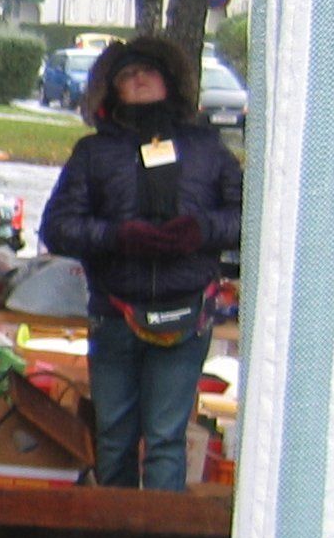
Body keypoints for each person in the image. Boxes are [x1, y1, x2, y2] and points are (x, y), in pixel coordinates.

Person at [41, 38, 241, 491]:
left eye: (147, 71)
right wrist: (117, 236)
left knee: (166, 441)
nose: (139, 79)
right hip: (115, 314)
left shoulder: (208, 149)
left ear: (170, 81)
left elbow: (247, 218)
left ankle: (159, 537)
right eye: (127, 75)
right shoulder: (93, 153)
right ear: (111, 90)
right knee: (114, 439)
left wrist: (201, 230)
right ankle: (117, 532)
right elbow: (58, 227)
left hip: (186, 313)